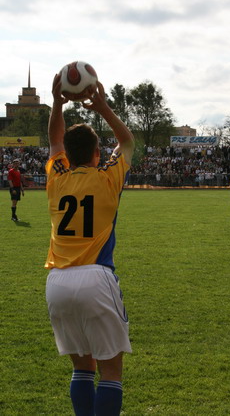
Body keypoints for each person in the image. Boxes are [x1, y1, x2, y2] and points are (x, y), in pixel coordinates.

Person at [45, 74, 135, 415]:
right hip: (95, 277)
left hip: (57, 281)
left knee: (82, 368)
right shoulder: (108, 177)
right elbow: (126, 143)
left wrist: (57, 102)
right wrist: (102, 105)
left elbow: (54, 141)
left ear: (67, 154)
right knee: (110, 372)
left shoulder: (56, 176)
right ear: (98, 154)